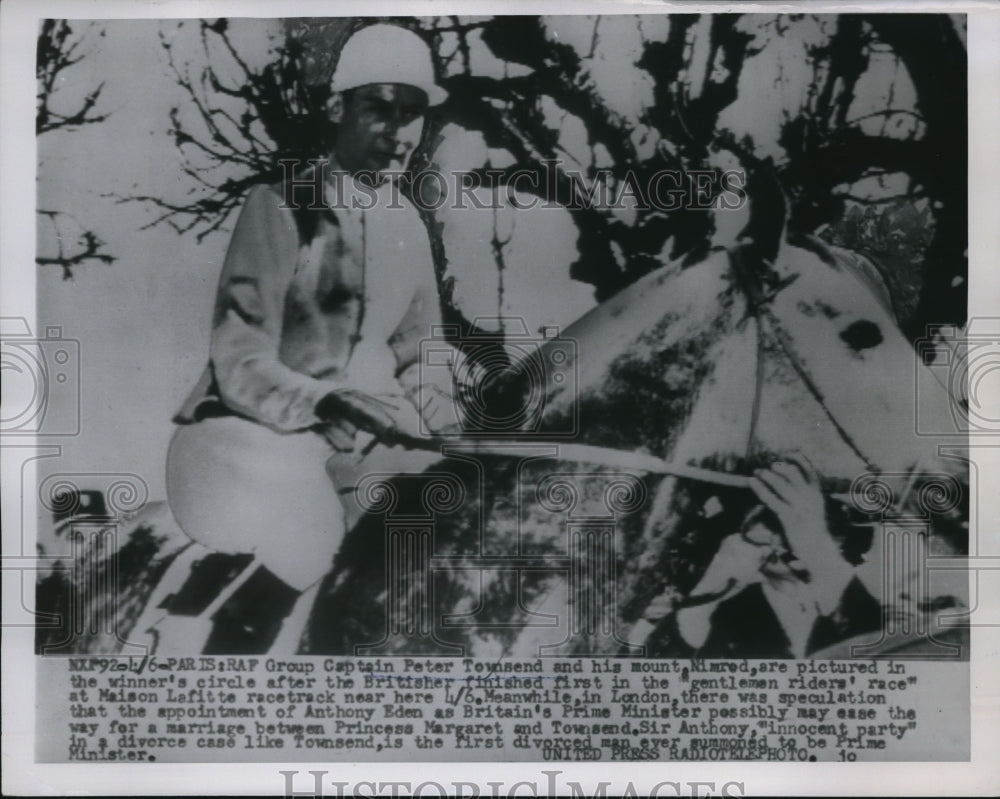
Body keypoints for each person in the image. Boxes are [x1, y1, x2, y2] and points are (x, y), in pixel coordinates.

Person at [162, 24, 457, 653]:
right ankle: (214, 669)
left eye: (413, 114)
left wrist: (447, 417)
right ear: (337, 107)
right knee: (315, 536)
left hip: (349, 453)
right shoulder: (280, 204)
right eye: (380, 108)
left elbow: (422, 353)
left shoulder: (409, 225)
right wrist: (329, 401)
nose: (400, 130)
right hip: (249, 438)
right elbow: (239, 357)